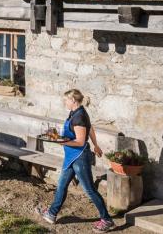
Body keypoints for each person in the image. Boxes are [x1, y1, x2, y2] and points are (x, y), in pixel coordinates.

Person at [35, 89, 115, 233]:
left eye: (66, 100)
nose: (64, 102)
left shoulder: (79, 116)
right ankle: (52, 214)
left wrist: (61, 142)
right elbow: (90, 130)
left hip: (79, 157)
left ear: (73, 100)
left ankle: (107, 220)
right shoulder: (77, 113)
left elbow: (79, 142)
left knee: (89, 190)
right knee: (61, 185)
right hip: (71, 157)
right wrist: (96, 145)